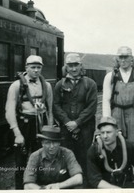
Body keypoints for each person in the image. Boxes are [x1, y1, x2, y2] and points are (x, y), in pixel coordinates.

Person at [5, 55, 54, 189]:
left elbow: (50, 110)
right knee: (21, 163)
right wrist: (17, 133)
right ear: (26, 68)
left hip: (40, 125)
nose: (36, 70)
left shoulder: (47, 86)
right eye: (33, 67)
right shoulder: (17, 85)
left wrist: (49, 131)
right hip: (23, 124)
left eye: (39, 67)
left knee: (41, 161)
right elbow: (9, 110)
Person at [53, 53, 97, 186]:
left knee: (85, 156)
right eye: (70, 66)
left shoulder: (90, 84)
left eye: (76, 65)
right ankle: (68, 184)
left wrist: (77, 122)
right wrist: (67, 122)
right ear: (66, 67)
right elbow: (56, 106)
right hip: (66, 129)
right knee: (67, 155)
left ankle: (86, 185)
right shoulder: (60, 85)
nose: (73, 69)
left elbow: (91, 107)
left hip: (85, 128)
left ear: (81, 66)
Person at [102, 46, 134, 154]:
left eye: (126, 57)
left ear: (131, 58)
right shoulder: (111, 76)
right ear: (117, 59)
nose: (123, 60)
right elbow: (106, 101)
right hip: (116, 114)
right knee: (116, 147)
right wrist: (107, 121)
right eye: (121, 57)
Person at [87, 116, 134, 188]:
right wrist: (117, 190)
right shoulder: (94, 151)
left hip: (126, 186)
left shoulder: (128, 147)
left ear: (116, 132)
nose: (105, 136)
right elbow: (94, 179)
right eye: (102, 133)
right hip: (105, 188)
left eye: (108, 132)